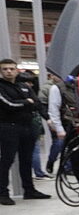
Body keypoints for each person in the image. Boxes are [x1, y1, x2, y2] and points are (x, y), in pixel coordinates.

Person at [0, 59, 52, 204]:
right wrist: (26, 102)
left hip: (27, 127)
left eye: (11, 68)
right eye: (5, 69)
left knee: (26, 160)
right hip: (8, 127)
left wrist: (47, 118)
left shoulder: (24, 86)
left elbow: (37, 104)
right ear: (1, 71)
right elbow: (8, 105)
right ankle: (3, 193)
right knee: (6, 160)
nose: (9, 71)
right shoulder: (1, 87)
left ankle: (29, 190)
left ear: (17, 70)